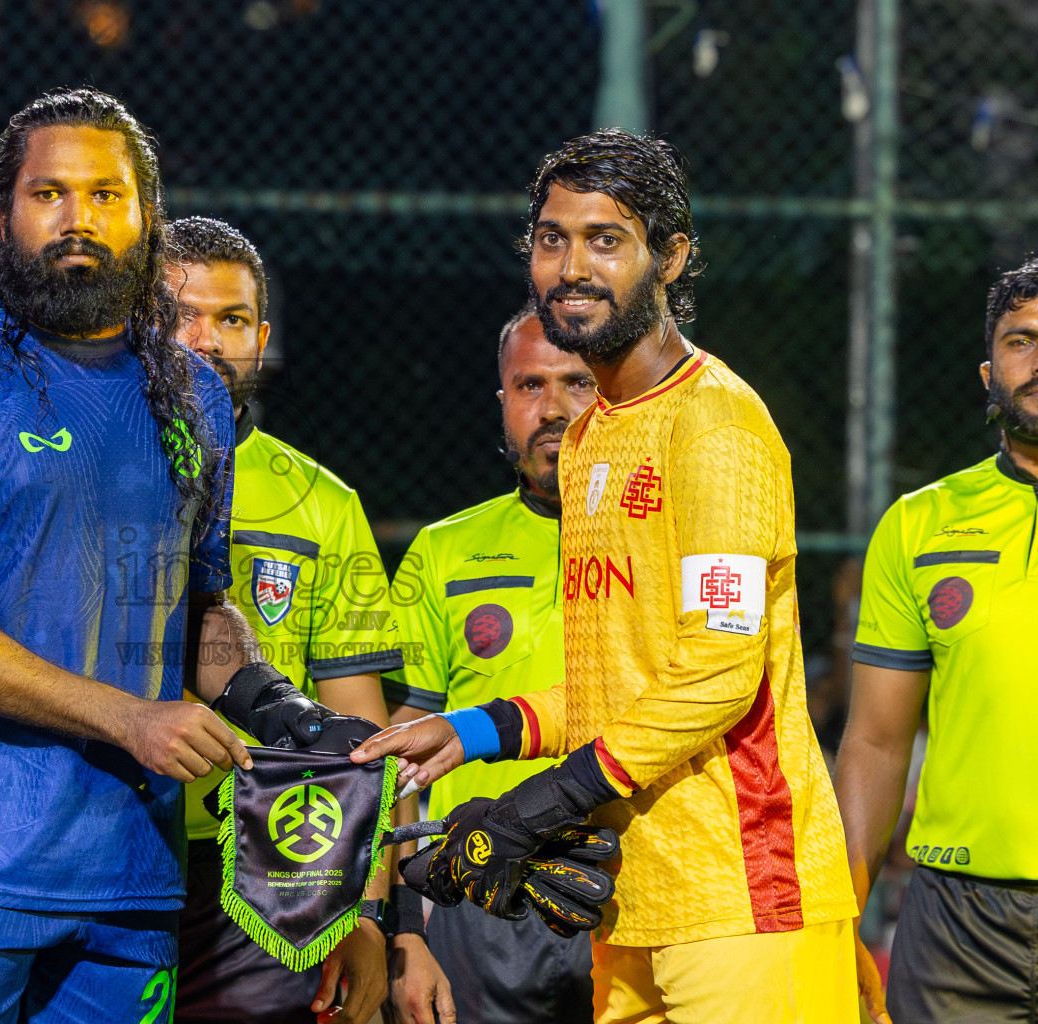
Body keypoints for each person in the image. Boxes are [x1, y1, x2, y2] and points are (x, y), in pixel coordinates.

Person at [0, 89, 375, 1024]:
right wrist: (132, 720)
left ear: (146, 214)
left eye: (106, 194)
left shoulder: (196, 402)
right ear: (1, 213)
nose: (77, 218)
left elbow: (199, 614)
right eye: (48, 193)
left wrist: (284, 710)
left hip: (132, 873)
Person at [351, 130, 858, 1022]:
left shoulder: (717, 427)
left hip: (743, 896)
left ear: (671, 257)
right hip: (628, 902)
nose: (571, 267)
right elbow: (621, 679)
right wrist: (479, 730)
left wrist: (543, 803)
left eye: (605, 240)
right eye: (553, 239)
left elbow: (718, 670)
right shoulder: (591, 437)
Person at [164, 216, 397, 1024]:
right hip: (106, 842)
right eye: (178, 316)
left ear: (261, 338)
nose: (206, 340)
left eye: (230, 320)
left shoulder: (324, 503)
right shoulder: (78, 465)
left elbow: (359, 721)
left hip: (266, 864)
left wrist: (366, 911)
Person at [835, 257, 1038, 1024]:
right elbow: (879, 741)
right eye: (1022, 341)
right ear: (989, 371)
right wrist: (843, 911)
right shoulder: (920, 524)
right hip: (957, 923)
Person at [381, 307, 597, 1024]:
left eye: (580, 383)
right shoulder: (443, 552)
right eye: (530, 386)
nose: (555, 409)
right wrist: (408, 927)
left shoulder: (670, 543)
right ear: (503, 402)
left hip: (626, 880)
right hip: (478, 892)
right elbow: (400, 746)